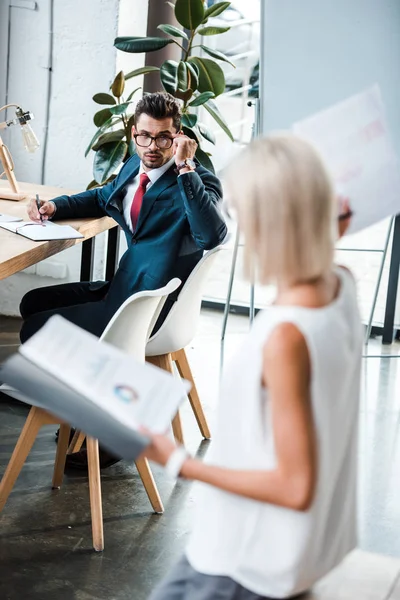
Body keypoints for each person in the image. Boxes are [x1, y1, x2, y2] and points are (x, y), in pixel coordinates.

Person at [142, 134, 362, 600]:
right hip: (285, 548)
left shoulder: (287, 336)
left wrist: (179, 460)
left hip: (247, 559)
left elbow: (294, 484)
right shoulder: (342, 286)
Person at [20, 91, 227, 469]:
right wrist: (57, 206)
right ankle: (81, 408)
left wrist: (185, 168)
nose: (152, 147)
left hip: (144, 308)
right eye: (144, 136)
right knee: (32, 303)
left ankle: (114, 428)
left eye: (163, 137)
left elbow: (211, 234)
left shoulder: (197, 182)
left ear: (179, 136)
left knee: (36, 328)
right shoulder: (135, 164)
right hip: (125, 286)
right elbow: (105, 196)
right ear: (133, 133)